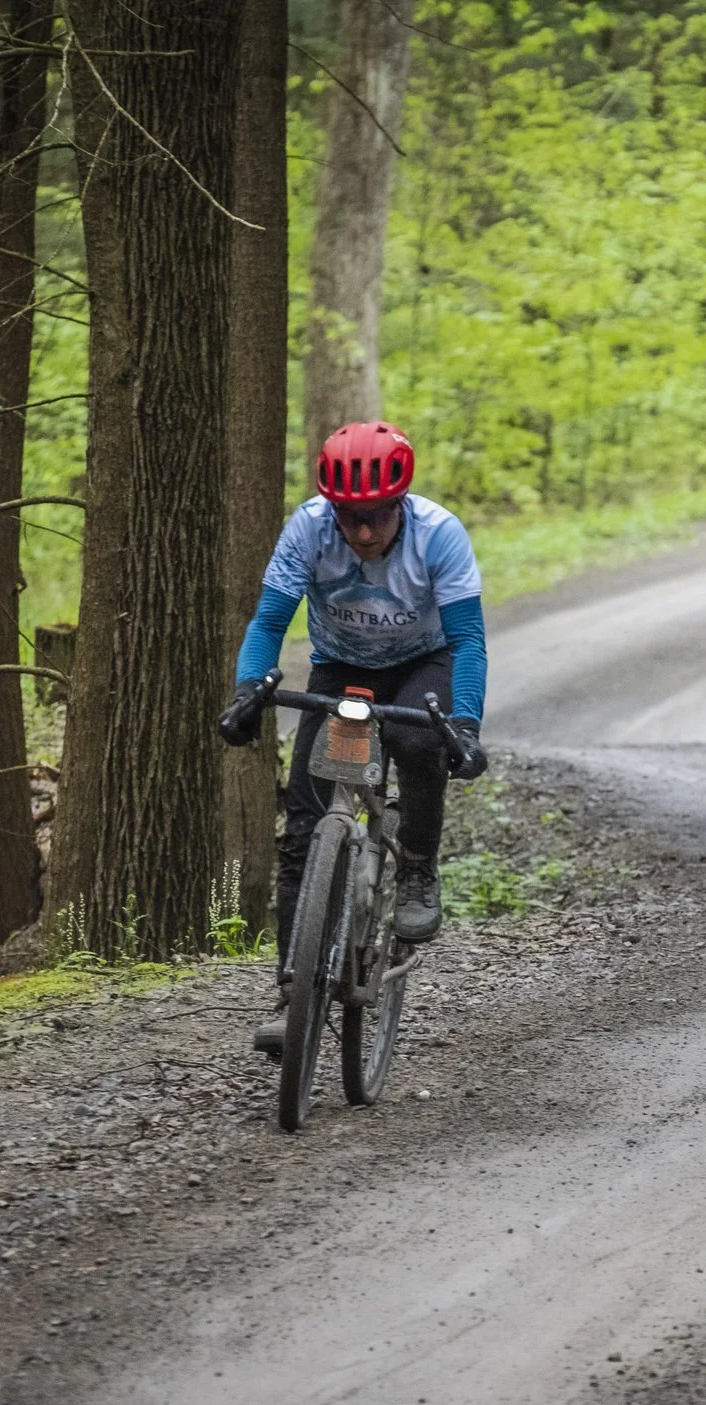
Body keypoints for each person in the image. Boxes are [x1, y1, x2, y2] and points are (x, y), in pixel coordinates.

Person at [217, 421, 488, 1053]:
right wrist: (247, 689)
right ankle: (294, 995)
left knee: (422, 744)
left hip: (426, 662)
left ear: (399, 505)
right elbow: (268, 622)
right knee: (307, 827)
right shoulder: (307, 529)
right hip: (341, 668)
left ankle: (417, 865)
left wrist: (466, 724)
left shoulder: (439, 534)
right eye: (349, 518)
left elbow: (469, 639)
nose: (362, 533)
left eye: (375, 517)